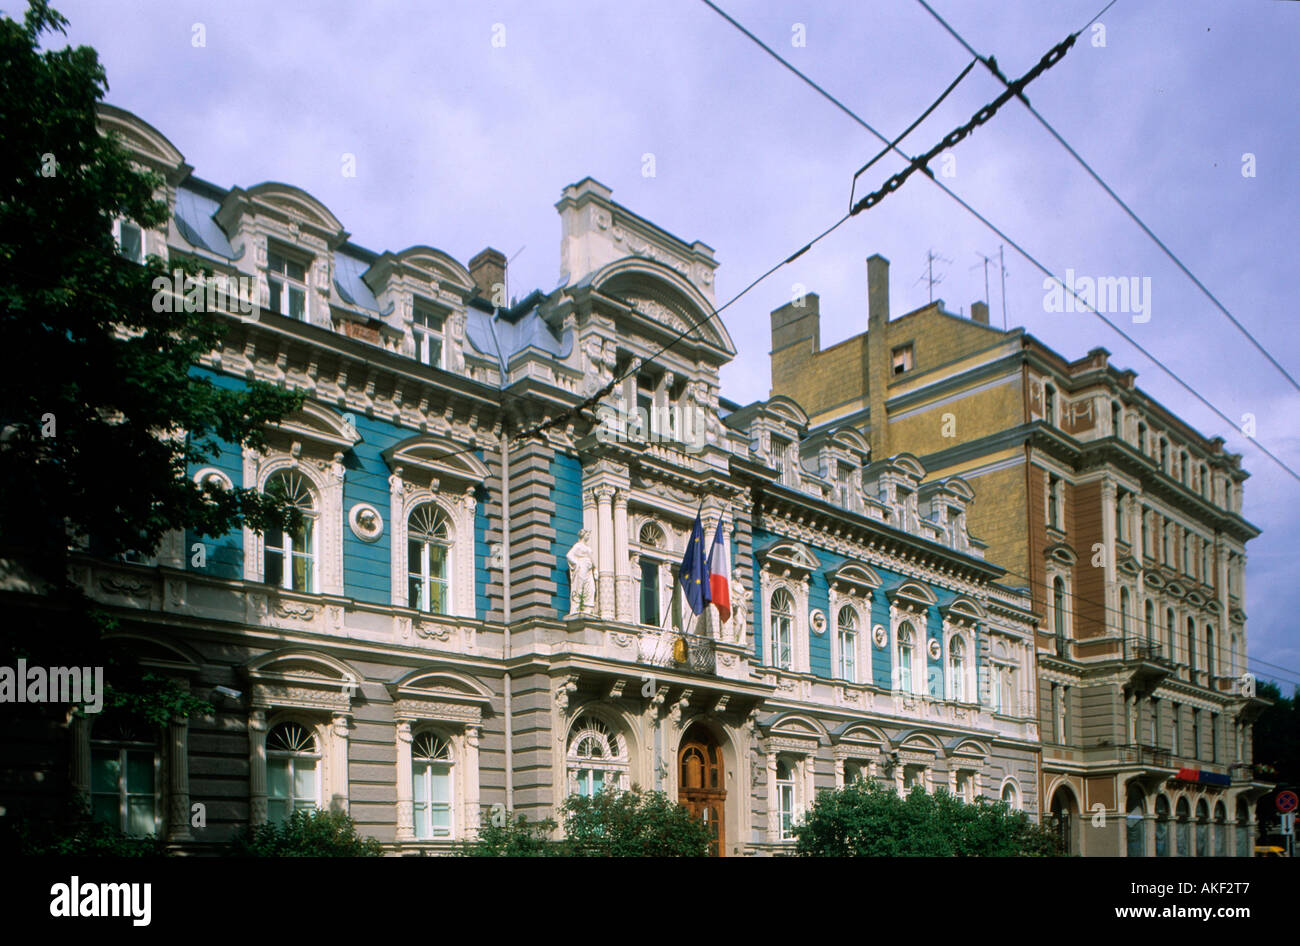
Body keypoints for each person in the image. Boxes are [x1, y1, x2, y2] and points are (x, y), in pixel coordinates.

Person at [566, 529, 597, 614]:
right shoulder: (578, 546)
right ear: (583, 535)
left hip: (589, 570)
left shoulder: (588, 548)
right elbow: (569, 555)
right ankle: (578, 606)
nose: (588, 536)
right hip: (582, 567)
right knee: (580, 586)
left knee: (591, 588)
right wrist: (577, 563)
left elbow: (592, 560)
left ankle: (588, 607)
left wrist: (595, 569)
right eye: (587, 534)